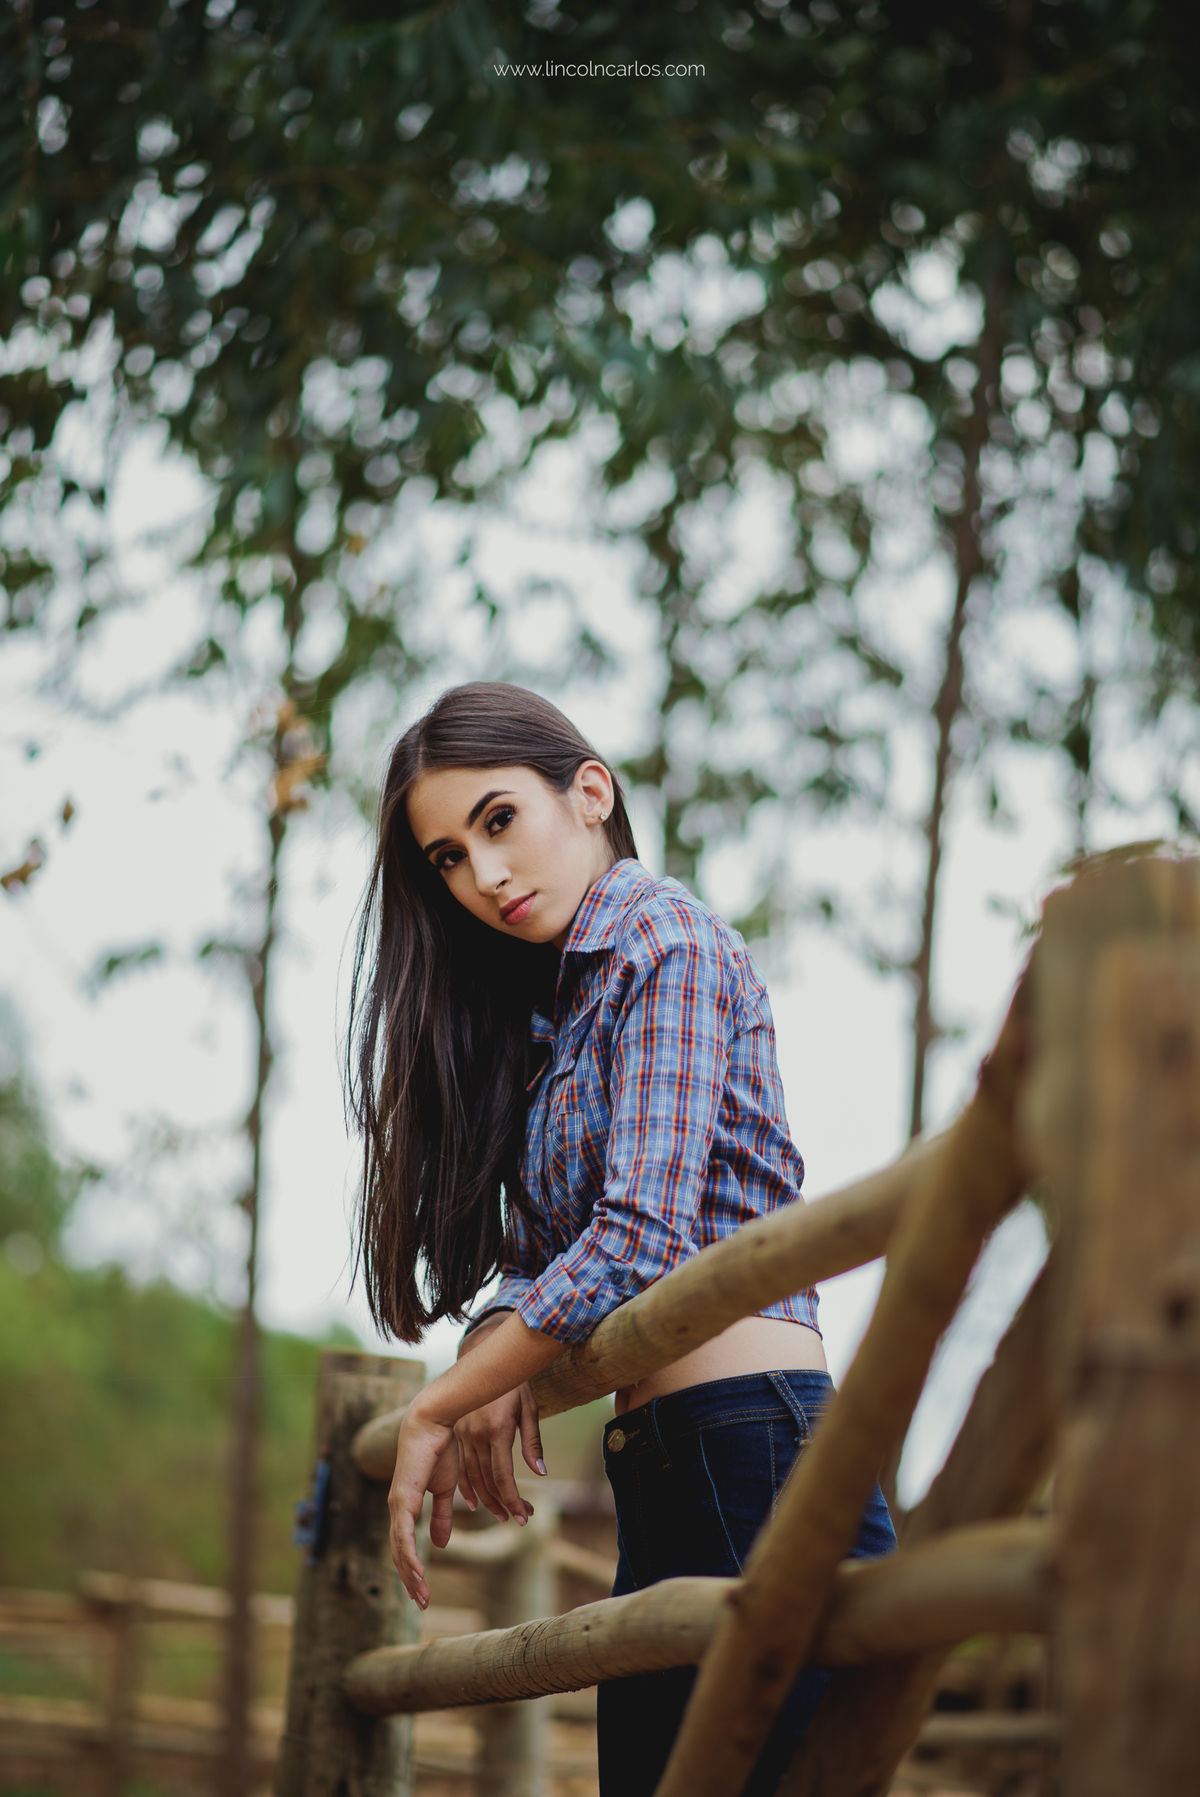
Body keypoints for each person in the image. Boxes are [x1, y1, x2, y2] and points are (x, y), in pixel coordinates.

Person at [348, 681, 895, 1797]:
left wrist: (445, 1405)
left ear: (589, 792)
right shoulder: (562, 1008)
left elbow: (639, 1237)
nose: (483, 874)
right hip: (669, 1464)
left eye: (498, 821)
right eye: (448, 857)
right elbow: (557, 1248)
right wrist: (504, 1323)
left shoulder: (664, 941)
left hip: (759, 1452)